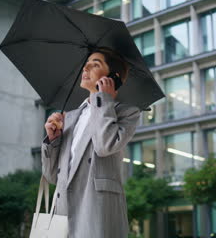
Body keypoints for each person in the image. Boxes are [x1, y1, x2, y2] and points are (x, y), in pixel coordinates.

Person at [40, 47, 141, 237]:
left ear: (113, 77)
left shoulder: (127, 113)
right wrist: (53, 140)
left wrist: (103, 99)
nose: (85, 69)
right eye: (85, 64)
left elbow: (104, 146)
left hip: (96, 212)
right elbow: (52, 176)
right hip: (62, 217)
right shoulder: (69, 117)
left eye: (95, 64)